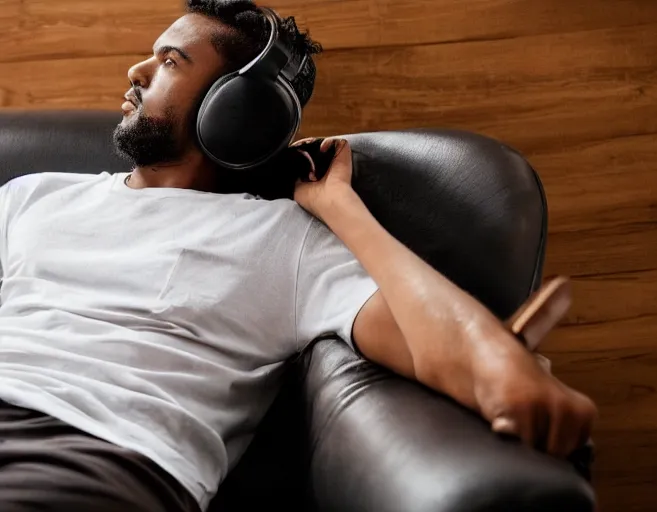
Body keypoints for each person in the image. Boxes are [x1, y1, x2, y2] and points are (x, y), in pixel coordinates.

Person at [0, 1, 597, 511]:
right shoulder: (31, 196)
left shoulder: (284, 240)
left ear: (237, 109)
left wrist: (341, 208)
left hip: (88, 455)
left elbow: (451, 350)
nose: (136, 70)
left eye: (170, 61)